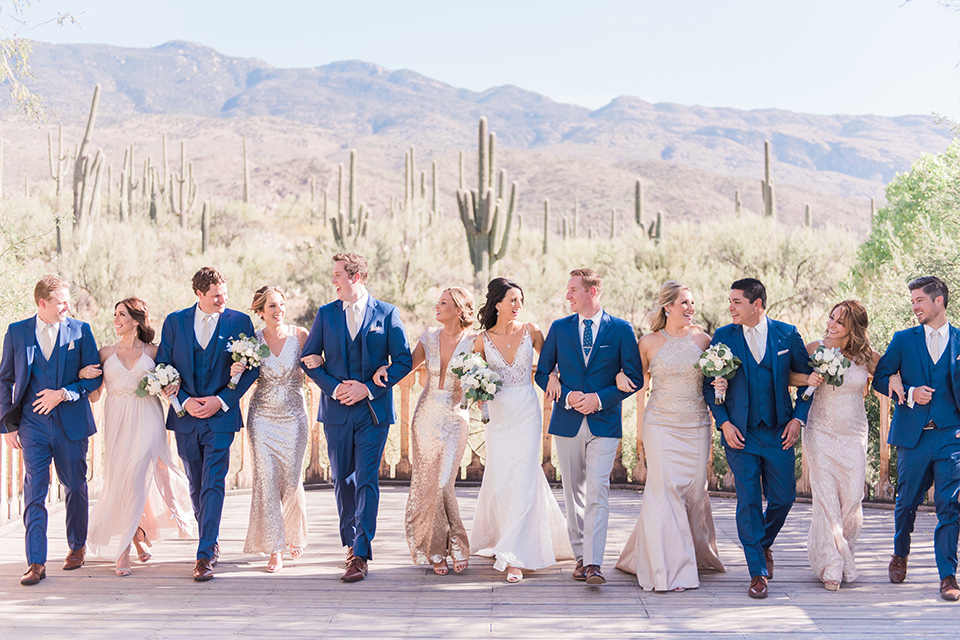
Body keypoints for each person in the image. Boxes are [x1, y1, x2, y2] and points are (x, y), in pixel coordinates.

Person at [301, 252, 412, 582]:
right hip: (335, 411)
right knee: (342, 481)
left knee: (366, 479)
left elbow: (403, 361)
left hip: (372, 413)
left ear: (356, 277)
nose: (333, 281)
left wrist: (368, 389)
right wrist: (335, 389)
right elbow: (309, 357)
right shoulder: (326, 314)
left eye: (337, 274)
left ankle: (360, 552)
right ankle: (350, 542)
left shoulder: (387, 314)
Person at [703, 278, 812, 599]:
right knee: (748, 501)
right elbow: (710, 386)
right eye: (730, 301)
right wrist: (723, 423)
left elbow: (810, 382)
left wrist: (798, 419)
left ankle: (761, 544)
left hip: (779, 430)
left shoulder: (787, 334)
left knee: (784, 497)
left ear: (757, 304)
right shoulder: (723, 337)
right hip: (740, 433)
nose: (730, 307)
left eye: (736, 302)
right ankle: (757, 572)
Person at [534, 268, 643, 586]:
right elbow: (543, 373)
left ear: (592, 292)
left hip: (604, 422)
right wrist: (565, 395)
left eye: (573, 290)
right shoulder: (559, 328)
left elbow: (633, 378)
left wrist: (600, 398)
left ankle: (594, 563)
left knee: (598, 490)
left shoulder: (621, 329)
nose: (567, 295)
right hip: (566, 420)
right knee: (573, 493)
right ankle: (580, 557)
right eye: (567, 290)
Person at [614, 281, 725, 591]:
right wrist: (621, 375)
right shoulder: (648, 342)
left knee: (692, 490)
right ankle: (672, 568)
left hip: (697, 424)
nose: (691, 308)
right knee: (664, 491)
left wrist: (721, 385)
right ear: (668, 307)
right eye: (685, 303)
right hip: (660, 423)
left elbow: (715, 379)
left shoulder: (703, 340)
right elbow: (636, 379)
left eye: (692, 303)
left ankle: (683, 552)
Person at [156, 267, 259, 581]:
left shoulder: (239, 322)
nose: (222, 301)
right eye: (216, 296)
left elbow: (252, 367)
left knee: (214, 482)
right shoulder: (175, 322)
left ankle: (205, 553)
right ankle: (208, 541)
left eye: (225, 295)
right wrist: (184, 400)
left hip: (221, 415)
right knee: (196, 483)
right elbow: (163, 365)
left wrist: (223, 399)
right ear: (199, 294)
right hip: (186, 416)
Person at [0, 275, 101, 586]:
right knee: (35, 491)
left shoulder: (81, 331)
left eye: (67, 300)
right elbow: (4, 379)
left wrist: (65, 392)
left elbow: (94, 378)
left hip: (71, 424)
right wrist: (7, 424)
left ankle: (77, 545)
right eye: (60, 301)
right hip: (32, 426)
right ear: (42, 303)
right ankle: (36, 562)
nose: (67, 306)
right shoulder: (17, 332)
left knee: (74, 487)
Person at [470, 277, 572, 583]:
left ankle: (515, 555)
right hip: (498, 415)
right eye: (513, 300)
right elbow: (471, 377)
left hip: (527, 411)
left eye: (521, 300)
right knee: (503, 477)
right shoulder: (481, 340)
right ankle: (506, 538)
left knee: (525, 473)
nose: (518, 306)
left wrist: (554, 375)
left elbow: (551, 363)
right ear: (497, 303)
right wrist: (477, 393)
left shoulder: (532, 330)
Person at [82, 298, 193, 576]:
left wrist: (172, 384)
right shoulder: (105, 353)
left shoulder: (154, 352)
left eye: (122, 314)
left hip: (148, 417)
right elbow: (95, 395)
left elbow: (173, 382)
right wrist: (83, 374)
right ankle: (137, 535)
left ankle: (123, 553)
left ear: (136, 319)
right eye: (115, 313)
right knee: (123, 478)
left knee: (138, 472)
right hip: (117, 420)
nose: (116, 318)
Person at [873, 276, 960, 601]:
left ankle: (948, 576)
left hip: (952, 437)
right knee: (906, 502)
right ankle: (900, 552)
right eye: (912, 302)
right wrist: (908, 391)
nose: (915, 307)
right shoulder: (904, 339)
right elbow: (881, 378)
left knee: (949, 507)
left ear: (938, 301)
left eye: (919, 300)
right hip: (914, 438)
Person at [795, 300, 879, 591]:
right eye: (831, 318)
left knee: (853, 497)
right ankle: (831, 563)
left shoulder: (867, 356)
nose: (831, 324)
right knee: (827, 498)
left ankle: (844, 551)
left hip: (853, 432)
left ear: (853, 328)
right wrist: (808, 377)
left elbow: (890, 373)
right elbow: (788, 375)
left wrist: (893, 378)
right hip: (820, 430)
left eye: (839, 322)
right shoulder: (813, 348)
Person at [230, 286, 310, 573]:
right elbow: (244, 376)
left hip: (294, 417)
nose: (278, 311)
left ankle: (294, 534)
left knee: (291, 480)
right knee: (265, 480)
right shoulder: (252, 341)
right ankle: (275, 548)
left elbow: (318, 366)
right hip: (261, 417)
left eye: (281, 305)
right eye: (272, 307)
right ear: (261, 311)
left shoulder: (301, 335)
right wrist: (236, 370)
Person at [396, 288, 476, 575]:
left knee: (445, 483)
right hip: (426, 415)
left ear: (459, 309)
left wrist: (476, 393)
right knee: (427, 486)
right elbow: (405, 366)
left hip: (456, 417)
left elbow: (486, 377)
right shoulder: (429, 336)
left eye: (443, 303)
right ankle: (435, 551)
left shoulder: (475, 341)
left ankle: (458, 545)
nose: (436, 306)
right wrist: (380, 371)